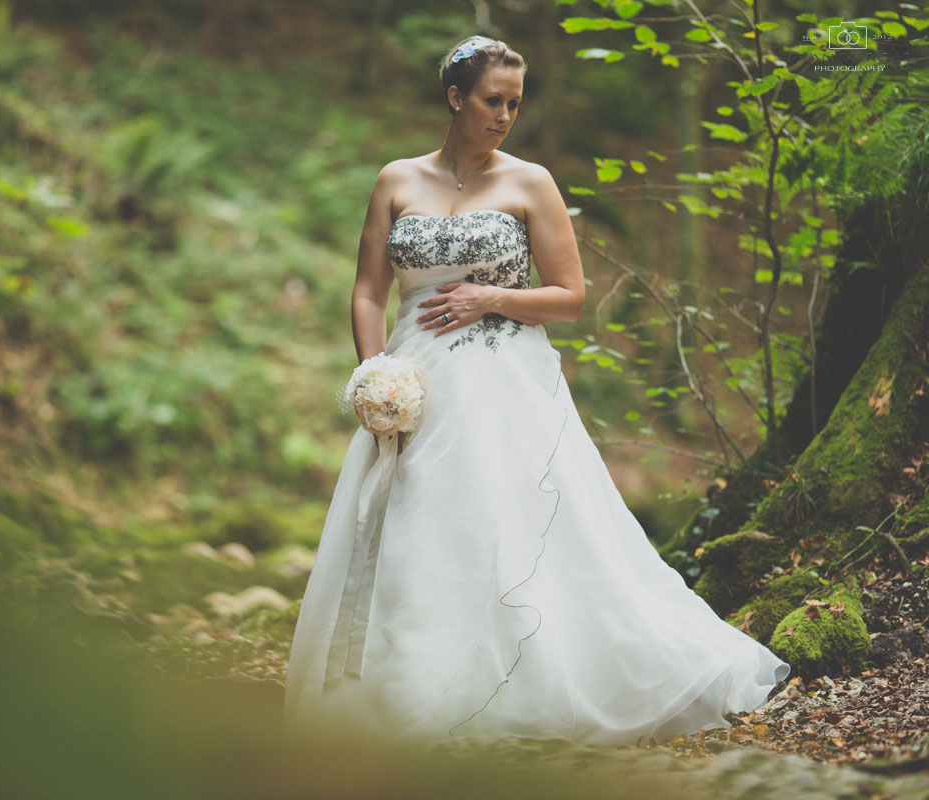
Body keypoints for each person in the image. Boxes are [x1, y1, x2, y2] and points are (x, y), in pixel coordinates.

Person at [282, 35, 789, 748]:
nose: (505, 116)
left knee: (499, 520)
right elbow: (368, 291)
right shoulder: (396, 179)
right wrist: (375, 375)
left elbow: (571, 296)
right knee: (411, 529)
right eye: (493, 100)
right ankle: (402, 694)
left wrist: (489, 297)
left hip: (502, 380)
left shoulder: (530, 183)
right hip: (414, 383)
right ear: (455, 97)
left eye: (515, 104)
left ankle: (526, 686)